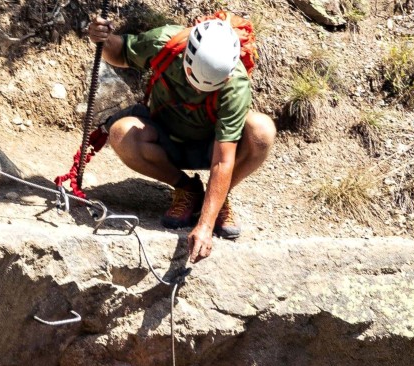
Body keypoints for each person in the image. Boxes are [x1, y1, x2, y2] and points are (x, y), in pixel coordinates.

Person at [88, 14, 276, 263]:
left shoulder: (236, 85)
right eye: (194, 81)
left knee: (262, 130)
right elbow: (120, 53)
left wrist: (205, 227)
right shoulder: (166, 43)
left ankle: (217, 199)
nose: (198, 91)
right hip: (165, 139)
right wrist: (103, 39)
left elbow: (222, 160)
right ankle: (187, 189)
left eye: (208, 87)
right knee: (121, 133)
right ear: (186, 61)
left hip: (211, 147)